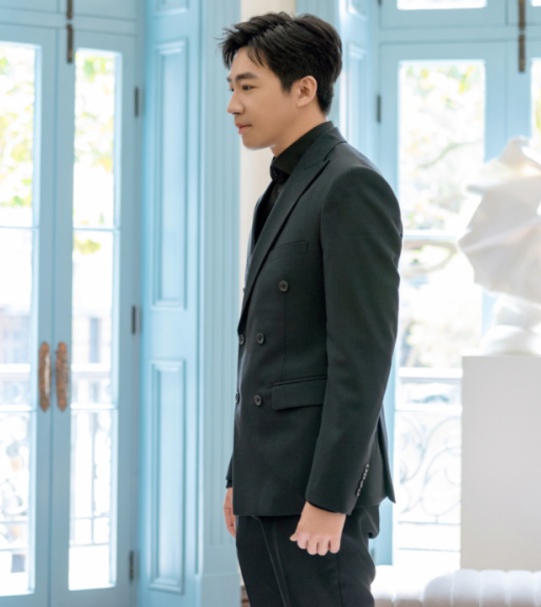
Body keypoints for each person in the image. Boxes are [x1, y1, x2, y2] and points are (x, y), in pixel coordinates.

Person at [220, 13, 402, 606]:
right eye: (232, 87)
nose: (233, 104)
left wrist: (329, 498)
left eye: (248, 86)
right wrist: (239, 476)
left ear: (304, 89)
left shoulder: (351, 185)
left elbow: (362, 360)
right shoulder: (277, 192)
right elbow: (266, 352)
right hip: (266, 484)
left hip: (315, 497)